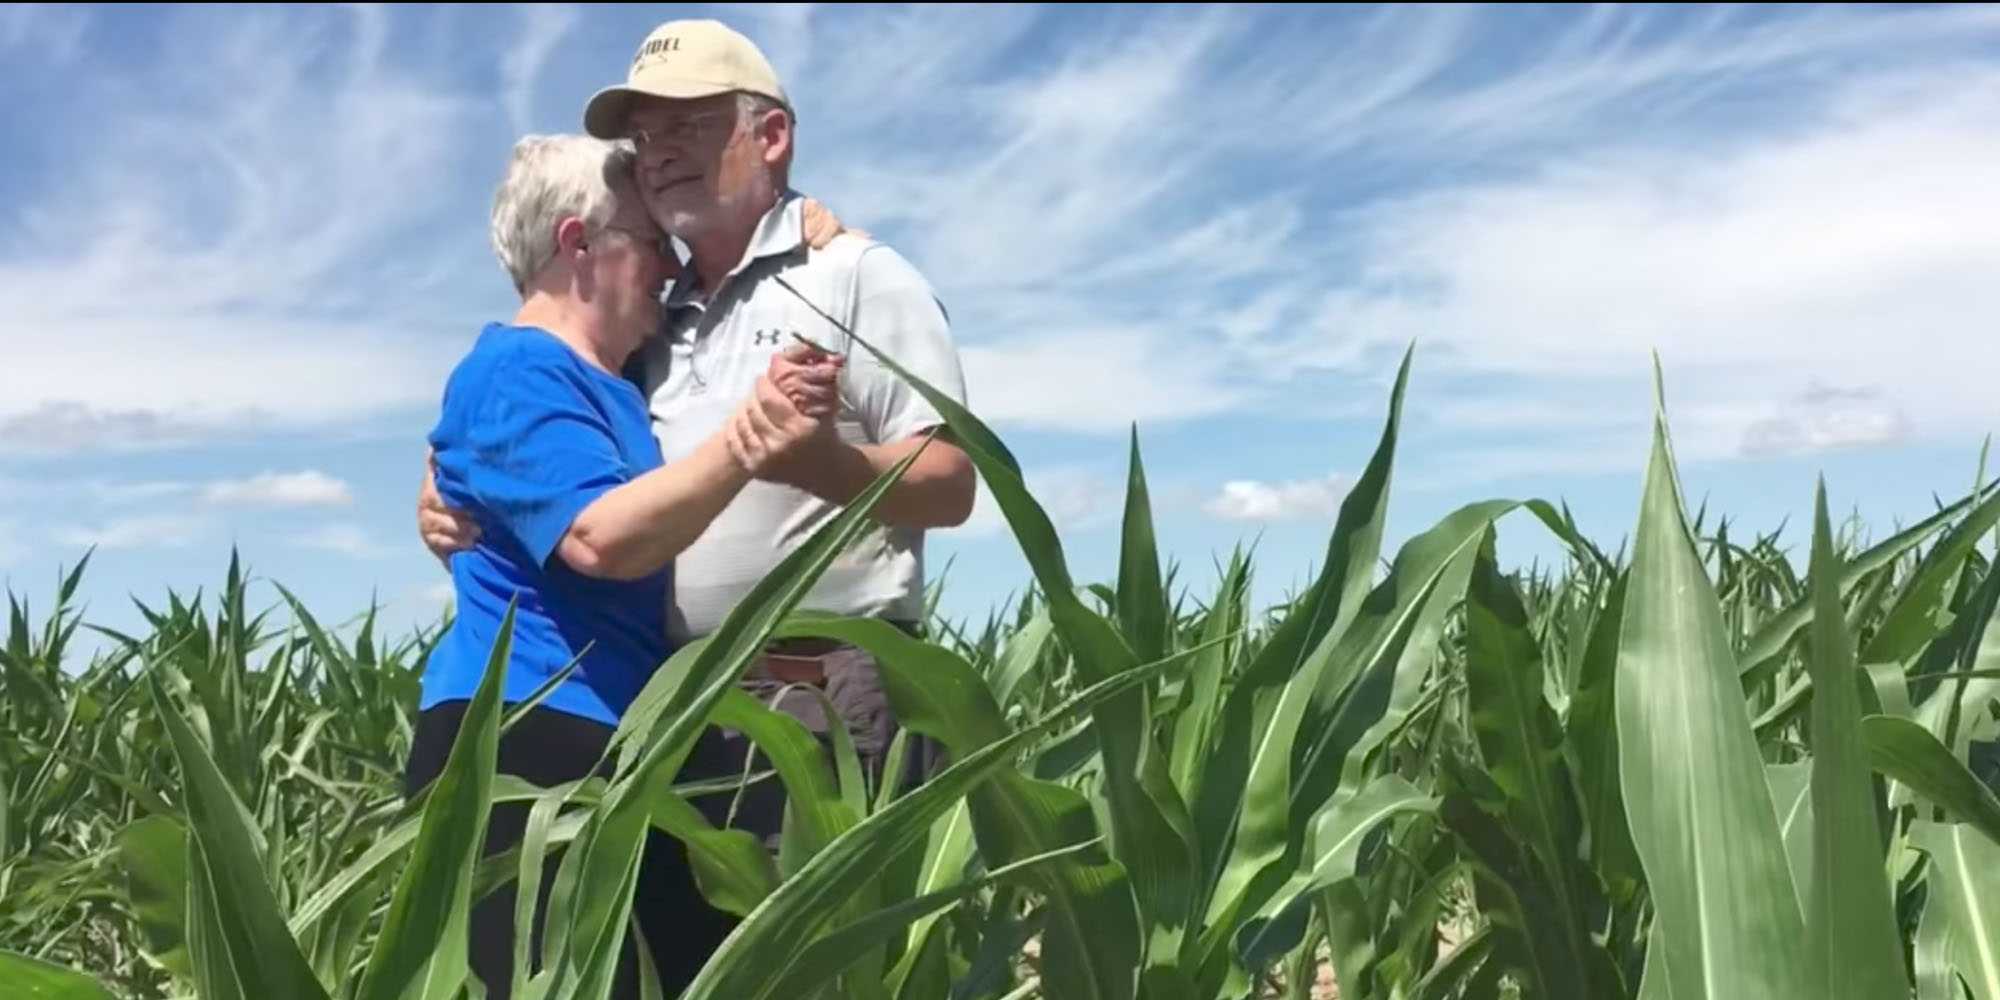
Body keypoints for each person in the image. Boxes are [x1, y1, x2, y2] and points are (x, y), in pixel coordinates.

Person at [409, 132, 843, 999]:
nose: (669, 267)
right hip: (525, 746)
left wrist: (807, 225)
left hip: (621, 735)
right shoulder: (517, 368)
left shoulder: (616, 376)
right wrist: (749, 442)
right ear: (579, 245)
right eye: (651, 243)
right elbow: (600, 540)